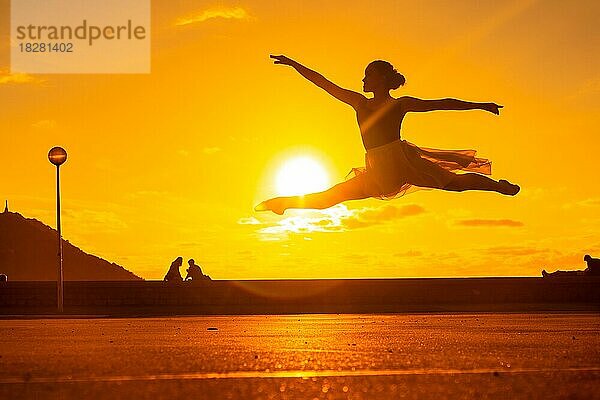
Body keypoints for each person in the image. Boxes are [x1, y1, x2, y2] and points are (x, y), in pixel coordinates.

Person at [255, 55, 519, 215]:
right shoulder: (359, 102)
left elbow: (441, 102)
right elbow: (324, 83)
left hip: (401, 160)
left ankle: (500, 187)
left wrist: (481, 105)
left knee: (453, 183)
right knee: (331, 197)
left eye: (368, 75)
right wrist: (293, 65)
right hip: (377, 169)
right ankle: (283, 203)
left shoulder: (399, 104)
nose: (362, 80)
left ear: (381, 78)